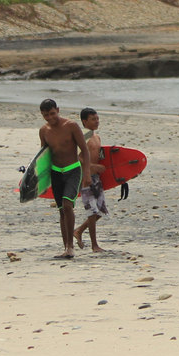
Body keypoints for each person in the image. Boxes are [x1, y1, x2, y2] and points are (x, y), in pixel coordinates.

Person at [38, 98, 91, 259]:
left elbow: (85, 150)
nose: (50, 118)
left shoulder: (71, 126)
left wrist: (87, 173)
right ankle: (66, 247)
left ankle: (70, 247)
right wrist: (41, 181)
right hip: (55, 172)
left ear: (58, 110)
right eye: (46, 115)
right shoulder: (44, 131)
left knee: (68, 205)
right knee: (61, 210)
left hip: (73, 170)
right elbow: (43, 156)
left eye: (52, 113)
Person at [73, 107, 108, 253]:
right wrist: (92, 167)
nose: (97, 121)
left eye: (97, 118)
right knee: (92, 211)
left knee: (100, 210)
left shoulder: (97, 137)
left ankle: (79, 230)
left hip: (96, 177)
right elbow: (76, 158)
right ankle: (94, 245)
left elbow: (100, 155)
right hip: (85, 177)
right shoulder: (84, 136)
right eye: (93, 119)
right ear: (84, 121)